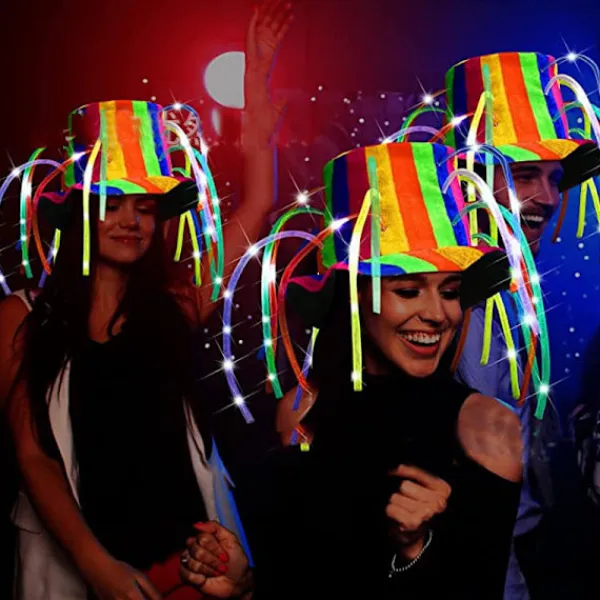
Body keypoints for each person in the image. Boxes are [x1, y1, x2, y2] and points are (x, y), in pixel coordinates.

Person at [0, 2, 292, 598]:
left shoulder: (177, 302)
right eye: (111, 203)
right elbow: (32, 457)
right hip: (86, 570)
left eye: (146, 206)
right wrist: (99, 568)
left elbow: (258, 204)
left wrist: (255, 83)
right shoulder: (21, 316)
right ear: (79, 211)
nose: (131, 220)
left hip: (189, 566)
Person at [198, 141, 543, 598]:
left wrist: (415, 549)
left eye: (450, 291)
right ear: (355, 295)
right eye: (408, 290)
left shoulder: (486, 429)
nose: (437, 314)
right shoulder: (299, 413)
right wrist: (245, 586)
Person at [443, 51, 600, 599]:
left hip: (528, 547)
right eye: (525, 175)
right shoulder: (446, 299)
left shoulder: (515, 286)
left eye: (554, 178)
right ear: (470, 175)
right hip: (477, 562)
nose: (549, 198)